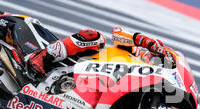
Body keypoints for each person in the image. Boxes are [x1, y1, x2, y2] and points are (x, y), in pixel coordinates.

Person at [25, 26, 171, 76]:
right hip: (86, 62)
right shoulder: (138, 52)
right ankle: (41, 58)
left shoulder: (145, 80)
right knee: (95, 37)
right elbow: (117, 33)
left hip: (95, 84)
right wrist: (142, 40)